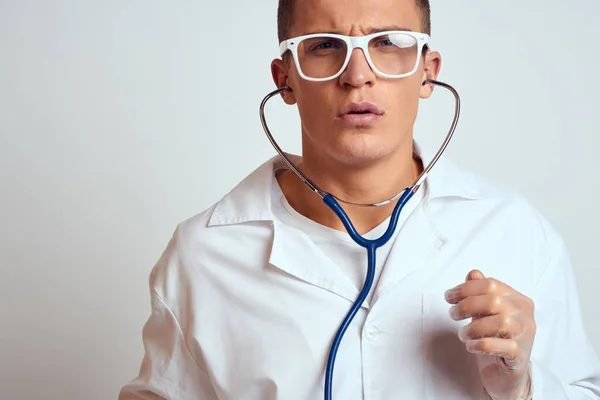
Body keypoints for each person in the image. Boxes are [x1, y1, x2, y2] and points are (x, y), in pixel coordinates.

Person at [119, 0, 600, 398]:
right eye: (325, 46)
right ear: (284, 78)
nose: (357, 75)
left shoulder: (513, 231)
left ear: (428, 73)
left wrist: (523, 388)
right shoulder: (203, 256)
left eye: (388, 42)